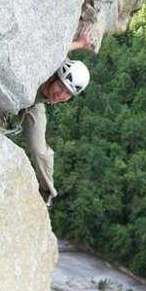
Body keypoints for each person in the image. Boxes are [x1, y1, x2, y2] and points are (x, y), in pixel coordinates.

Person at [21, 23, 93, 204]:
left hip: (35, 105)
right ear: (54, 77)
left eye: (67, 93)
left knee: (40, 151)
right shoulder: (49, 67)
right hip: (24, 91)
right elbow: (55, 49)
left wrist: (83, 44)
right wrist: (79, 43)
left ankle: (48, 192)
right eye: (61, 87)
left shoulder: (59, 84)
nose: (60, 95)